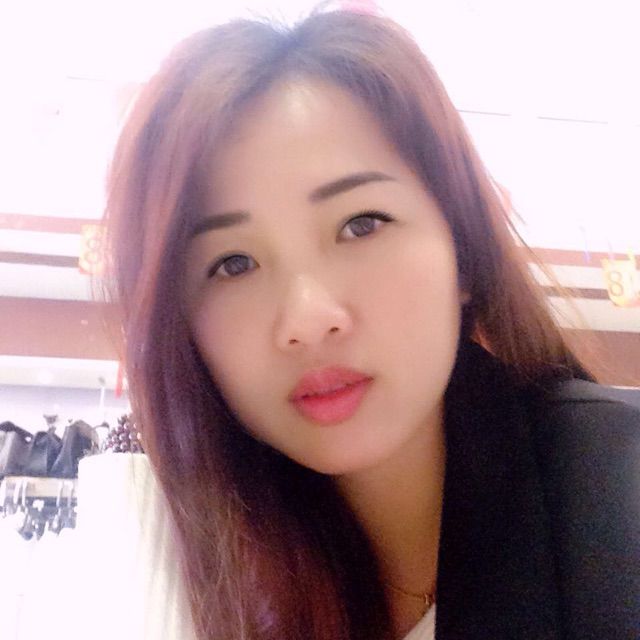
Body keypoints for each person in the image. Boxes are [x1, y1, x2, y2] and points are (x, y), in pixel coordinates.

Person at [102, 5, 640, 640]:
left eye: (361, 225)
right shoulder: (177, 561)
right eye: (233, 263)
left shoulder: (614, 496)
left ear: (462, 248)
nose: (307, 319)